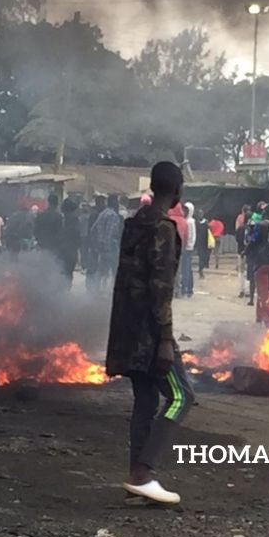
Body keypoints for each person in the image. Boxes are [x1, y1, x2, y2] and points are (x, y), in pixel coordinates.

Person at [106, 161, 194, 505]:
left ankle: (135, 484)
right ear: (177, 190)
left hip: (126, 330)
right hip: (149, 335)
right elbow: (161, 290)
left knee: (145, 401)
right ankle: (143, 471)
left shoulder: (133, 225)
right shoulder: (163, 229)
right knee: (182, 397)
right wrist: (165, 342)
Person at [90, 194, 123, 294]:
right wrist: (107, 246)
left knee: (101, 271)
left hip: (102, 248)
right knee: (115, 272)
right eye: (116, 201)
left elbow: (93, 229)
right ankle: (112, 292)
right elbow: (110, 232)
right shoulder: (112, 215)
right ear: (114, 202)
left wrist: (97, 243)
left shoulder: (103, 213)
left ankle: (96, 291)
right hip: (110, 248)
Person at [35, 194, 64, 266]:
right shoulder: (58, 216)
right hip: (53, 248)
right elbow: (60, 233)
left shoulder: (41, 215)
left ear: (48, 202)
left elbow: (35, 230)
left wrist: (39, 240)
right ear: (57, 203)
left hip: (42, 245)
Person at [85, 195, 107, 291]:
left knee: (99, 268)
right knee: (93, 267)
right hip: (95, 245)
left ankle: (95, 288)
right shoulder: (95, 215)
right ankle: (91, 287)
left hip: (100, 245)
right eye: (102, 203)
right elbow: (91, 231)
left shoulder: (101, 215)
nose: (103, 205)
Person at [60, 198, 82, 287]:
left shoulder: (62, 220)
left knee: (63, 273)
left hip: (64, 251)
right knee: (67, 274)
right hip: (70, 252)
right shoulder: (74, 221)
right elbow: (78, 237)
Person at [180, 202, 196, 296]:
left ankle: (187, 288)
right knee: (186, 268)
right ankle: (188, 288)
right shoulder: (186, 220)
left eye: (186, 210)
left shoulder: (190, 221)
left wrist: (189, 245)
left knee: (187, 269)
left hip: (188, 248)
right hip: (186, 247)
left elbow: (192, 235)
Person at [235, 206, 251, 298]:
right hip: (249, 253)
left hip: (240, 252)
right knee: (248, 271)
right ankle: (248, 291)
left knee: (240, 272)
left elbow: (237, 239)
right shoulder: (253, 229)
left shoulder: (240, 228)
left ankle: (241, 290)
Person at [194, 209, 210, 279]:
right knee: (201, 257)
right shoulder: (196, 223)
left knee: (204, 257)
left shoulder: (206, 222)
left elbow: (208, 232)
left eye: (201, 213)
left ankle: (201, 269)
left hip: (205, 243)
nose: (200, 215)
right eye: (199, 213)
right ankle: (201, 270)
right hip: (199, 243)